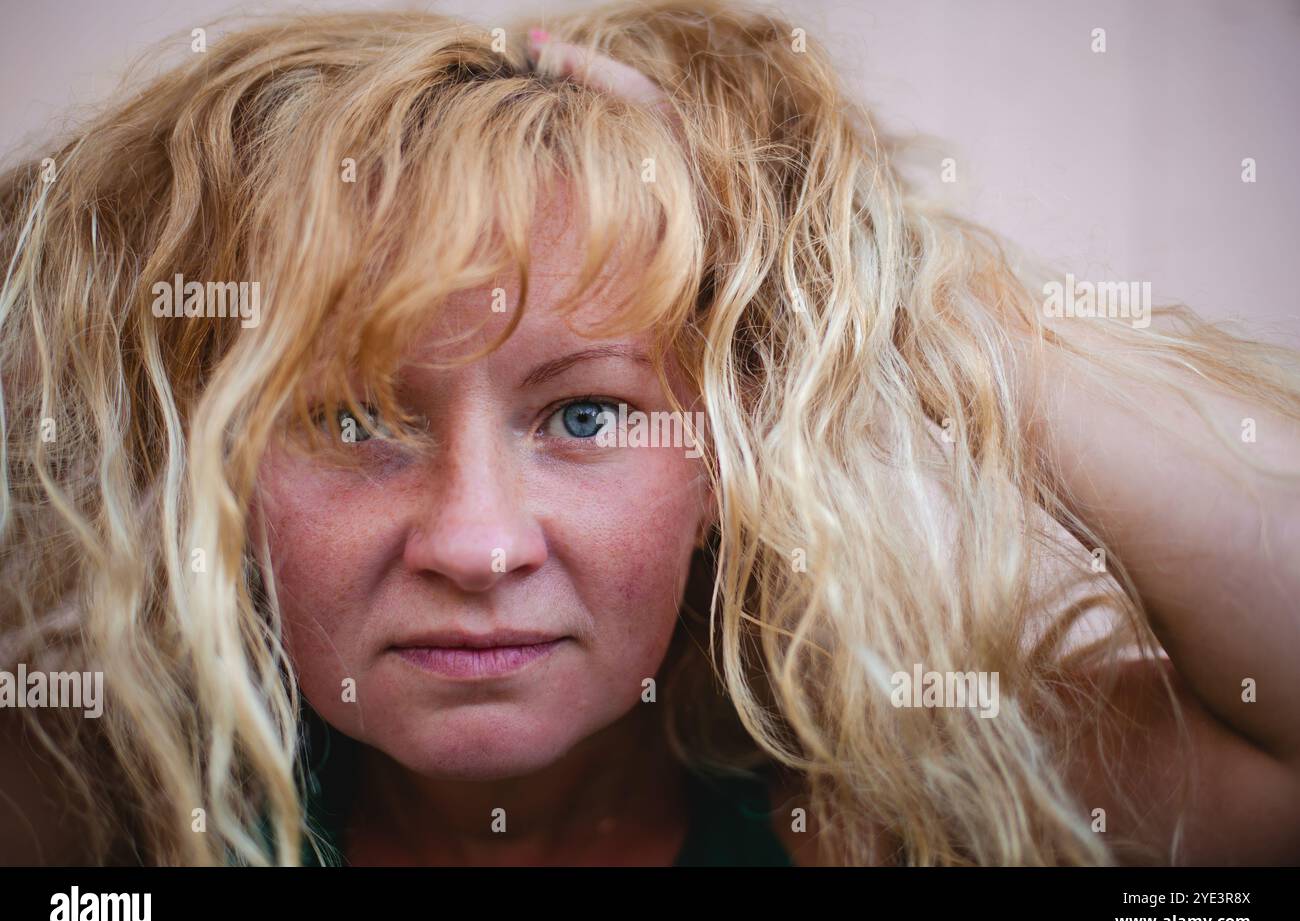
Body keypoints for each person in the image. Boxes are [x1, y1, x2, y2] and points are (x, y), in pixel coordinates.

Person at [1, 0, 1297, 867]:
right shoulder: (109, 820)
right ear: (220, 466)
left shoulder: (877, 817)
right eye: (356, 416)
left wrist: (878, 294)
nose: (476, 543)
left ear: (730, 456)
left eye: (583, 413)